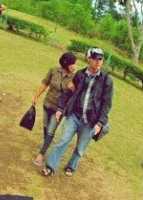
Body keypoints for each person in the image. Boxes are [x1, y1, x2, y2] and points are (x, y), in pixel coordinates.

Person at [41, 47, 114, 177]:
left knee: (80, 147)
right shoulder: (80, 75)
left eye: (100, 59)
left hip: (91, 120)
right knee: (63, 140)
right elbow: (68, 93)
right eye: (95, 59)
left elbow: (106, 104)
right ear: (89, 59)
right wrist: (60, 109)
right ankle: (50, 166)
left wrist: (100, 123)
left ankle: (71, 166)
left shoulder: (107, 80)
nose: (98, 62)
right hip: (74, 115)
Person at [31, 52, 77, 165]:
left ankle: (41, 153)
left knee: (51, 131)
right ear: (66, 64)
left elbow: (76, 95)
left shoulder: (74, 77)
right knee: (46, 126)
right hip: (47, 104)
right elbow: (45, 84)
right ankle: (47, 142)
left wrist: (73, 89)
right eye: (73, 64)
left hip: (59, 110)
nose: (75, 66)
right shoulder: (53, 70)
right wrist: (36, 97)